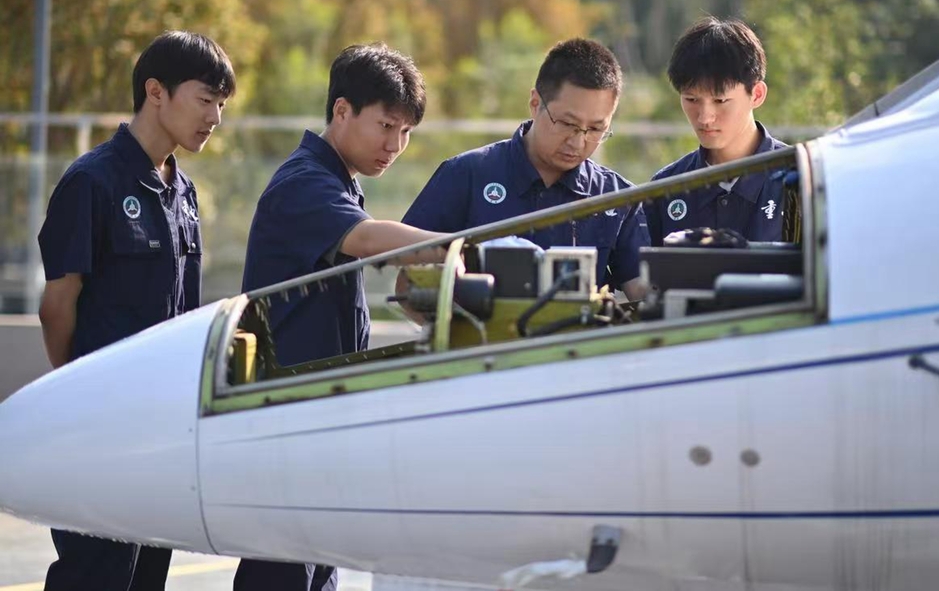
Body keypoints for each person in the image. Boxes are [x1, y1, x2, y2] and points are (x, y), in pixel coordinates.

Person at [236, 43, 445, 591]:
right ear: (342, 111)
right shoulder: (304, 181)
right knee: (282, 569)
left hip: (317, 411)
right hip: (284, 411)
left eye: (406, 133)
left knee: (315, 564)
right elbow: (369, 239)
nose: (394, 146)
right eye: (386, 126)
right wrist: (466, 246)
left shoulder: (339, 181)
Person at [37, 31, 235, 591]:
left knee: (147, 574)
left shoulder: (184, 193)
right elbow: (58, 306)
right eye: (205, 99)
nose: (216, 116)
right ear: (155, 91)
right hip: (100, 420)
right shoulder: (91, 182)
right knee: (96, 572)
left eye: (222, 103)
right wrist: (80, 387)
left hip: (164, 423)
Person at [402, 38, 648, 300]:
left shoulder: (618, 200)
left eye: (596, 129)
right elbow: (408, 285)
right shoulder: (466, 175)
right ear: (534, 103)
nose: (578, 141)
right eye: (566, 123)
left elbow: (645, 296)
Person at [646, 17, 787, 246]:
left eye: (720, 100)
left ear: (757, 94)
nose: (704, 117)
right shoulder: (665, 188)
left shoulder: (799, 182)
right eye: (691, 99)